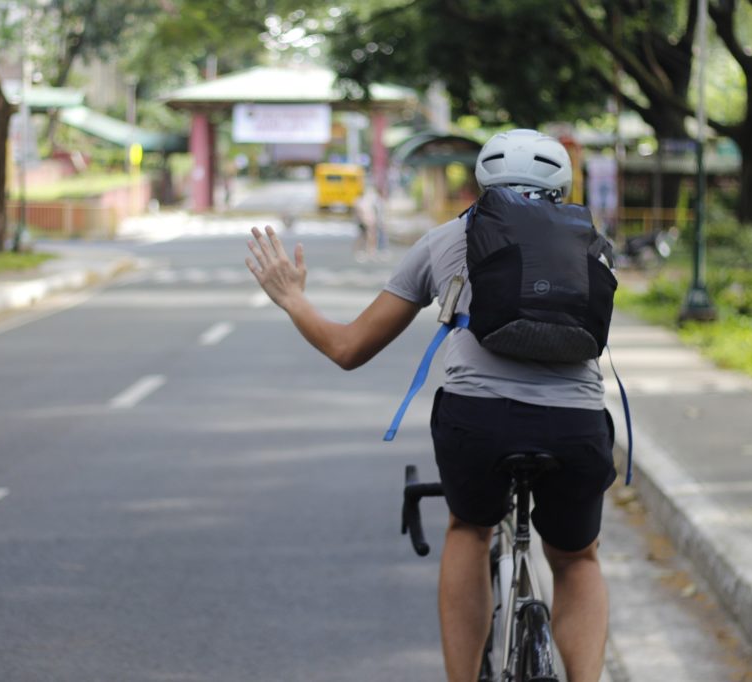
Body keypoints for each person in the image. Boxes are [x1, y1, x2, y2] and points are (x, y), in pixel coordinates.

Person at [245, 129, 615, 682]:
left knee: (470, 529)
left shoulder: (446, 239)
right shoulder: (593, 246)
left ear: (479, 184)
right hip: (576, 426)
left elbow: (349, 350)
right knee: (575, 557)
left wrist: (293, 297)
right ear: (563, 187)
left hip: (479, 423)